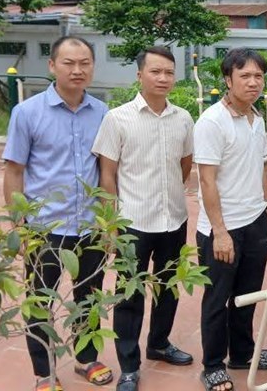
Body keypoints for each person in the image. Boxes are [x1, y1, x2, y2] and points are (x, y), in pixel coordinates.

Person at [3, 35, 113, 391]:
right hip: (44, 227)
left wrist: (109, 223)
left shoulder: (102, 112)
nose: (77, 70)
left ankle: (86, 359)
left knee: (89, 296)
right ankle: (44, 372)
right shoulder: (27, 112)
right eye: (69, 63)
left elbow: (107, 172)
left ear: (92, 67)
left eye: (84, 63)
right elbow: (14, 171)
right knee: (40, 302)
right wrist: (19, 226)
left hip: (90, 225)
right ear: (52, 65)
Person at [92, 46, 194, 391]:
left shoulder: (183, 117)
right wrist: (110, 223)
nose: (163, 78)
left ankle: (160, 343)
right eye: (155, 71)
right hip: (132, 222)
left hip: (174, 219)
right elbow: (108, 174)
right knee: (129, 296)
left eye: (168, 71)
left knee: (168, 287)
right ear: (139, 75)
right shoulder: (117, 118)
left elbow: (185, 164)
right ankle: (129, 365)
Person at [194, 48, 267, 391]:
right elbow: (206, 180)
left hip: (255, 221)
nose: (253, 82)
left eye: (258, 76)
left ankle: (242, 354)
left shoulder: (256, 118)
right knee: (217, 298)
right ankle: (213, 364)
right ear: (227, 80)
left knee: (248, 293)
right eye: (244, 76)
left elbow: (260, 167)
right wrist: (220, 232)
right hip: (222, 228)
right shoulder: (212, 121)